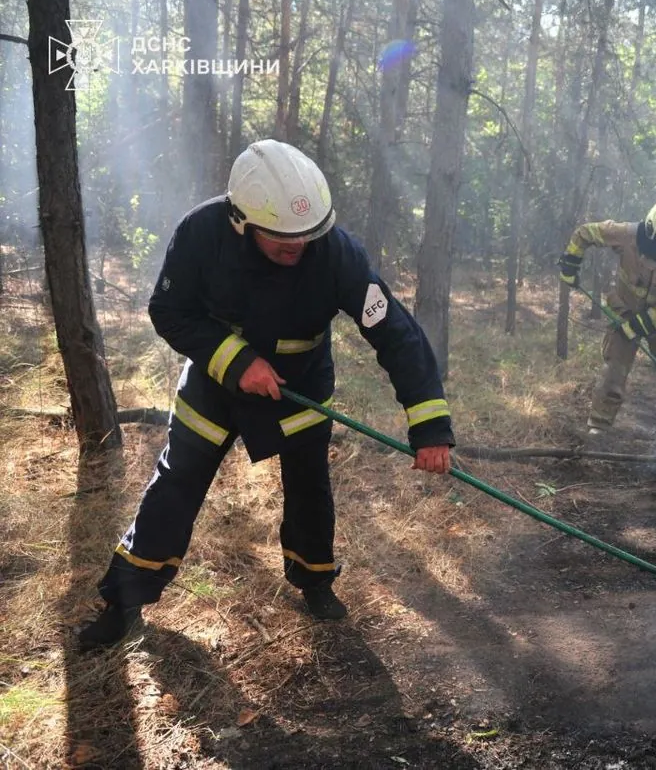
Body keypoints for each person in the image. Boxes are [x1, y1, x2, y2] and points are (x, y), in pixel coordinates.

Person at [79, 139, 454, 649]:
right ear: (241, 220)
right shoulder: (200, 234)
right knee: (177, 483)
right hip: (215, 384)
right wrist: (237, 361)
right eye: (281, 238)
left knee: (309, 489)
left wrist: (429, 426)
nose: (296, 246)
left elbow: (395, 333)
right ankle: (123, 601)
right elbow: (169, 312)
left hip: (300, 387)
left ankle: (315, 581)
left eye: (306, 235)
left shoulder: (338, 253)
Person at [558, 197, 656, 434]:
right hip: (623, 309)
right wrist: (571, 263)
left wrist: (639, 326)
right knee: (615, 369)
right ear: (651, 230)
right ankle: (599, 425)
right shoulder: (628, 234)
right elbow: (585, 233)